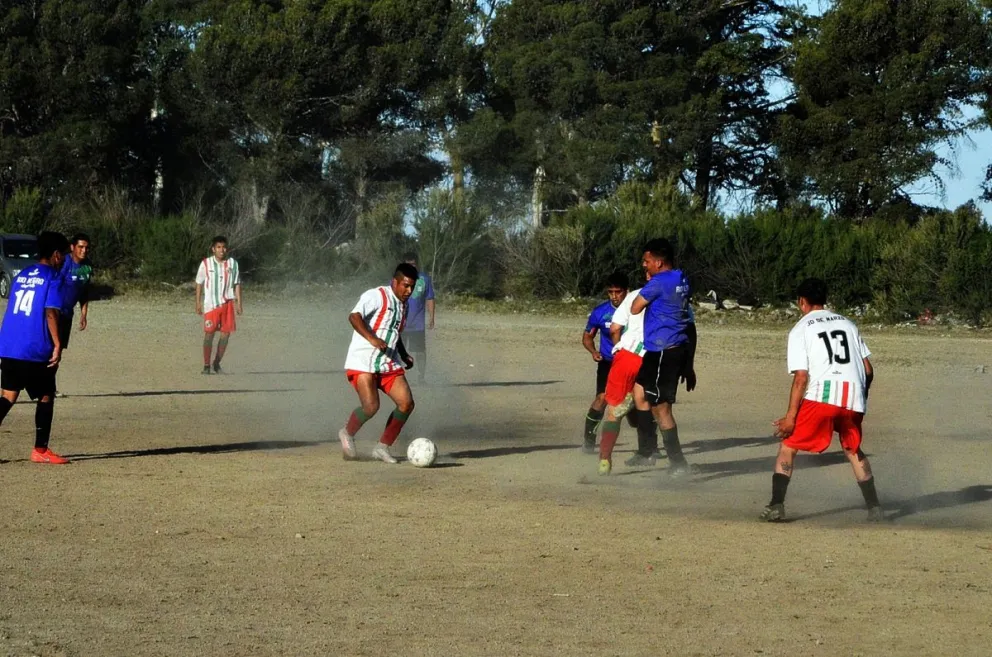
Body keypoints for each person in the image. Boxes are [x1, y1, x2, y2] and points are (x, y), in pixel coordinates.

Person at [762, 278, 881, 522]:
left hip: (822, 397)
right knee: (853, 449)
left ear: (801, 302)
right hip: (853, 397)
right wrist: (860, 399)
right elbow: (868, 369)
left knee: (788, 446)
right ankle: (875, 508)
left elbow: (801, 378)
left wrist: (790, 418)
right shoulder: (848, 323)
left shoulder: (801, 328)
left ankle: (776, 505)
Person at [628, 238, 697, 477]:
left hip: (663, 350)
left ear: (658, 262)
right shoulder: (680, 277)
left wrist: (650, 286)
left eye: (646, 261)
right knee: (639, 392)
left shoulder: (658, 283)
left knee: (662, 407)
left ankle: (678, 464)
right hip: (668, 348)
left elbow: (635, 307)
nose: (643, 265)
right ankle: (647, 449)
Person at [0, 231, 70, 464]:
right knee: (46, 394)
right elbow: (50, 311)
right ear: (57, 255)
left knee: (8, 396)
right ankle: (40, 450)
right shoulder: (53, 277)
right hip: (33, 347)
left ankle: (41, 450)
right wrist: (58, 343)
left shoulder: (23, 274)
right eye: (65, 256)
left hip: (9, 344)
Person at [338, 263, 419, 464]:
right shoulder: (376, 296)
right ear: (395, 281)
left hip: (388, 362)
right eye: (405, 286)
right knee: (371, 406)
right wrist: (372, 339)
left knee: (406, 403)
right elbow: (354, 316)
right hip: (363, 361)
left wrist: (403, 353)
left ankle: (382, 447)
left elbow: (394, 332)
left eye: (412, 287)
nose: (409, 291)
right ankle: (347, 433)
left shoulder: (404, 305)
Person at [595, 271, 656, 475]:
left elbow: (614, 329)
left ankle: (605, 459)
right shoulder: (674, 297)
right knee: (647, 405)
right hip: (655, 359)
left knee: (614, 412)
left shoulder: (633, 296)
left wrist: (619, 348)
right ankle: (648, 451)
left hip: (629, 356)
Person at [580, 272, 628, 453]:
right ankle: (589, 442)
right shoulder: (600, 312)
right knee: (601, 399)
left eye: (618, 292)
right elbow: (587, 337)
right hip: (608, 362)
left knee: (638, 406)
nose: (614, 296)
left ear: (626, 291)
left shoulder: (636, 310)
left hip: (632, 363)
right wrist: (593, 351)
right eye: (611, 292)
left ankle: (649, 447)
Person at [195, 236, 242, 374]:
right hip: (212, 305)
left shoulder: (233, 264)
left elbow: (237, 283)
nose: (222, 250)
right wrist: (197, 302)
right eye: (219, 247)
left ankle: (217, 363)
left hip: (227, 303)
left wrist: (239, 303)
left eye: (224, 247)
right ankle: (206, 365)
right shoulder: (206, 263)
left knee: (226, 335)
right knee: (209, 334)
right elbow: (199, 282)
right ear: (213, 249)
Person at [400, 252, 435, 384]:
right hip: (400, 324)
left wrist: (432, 317)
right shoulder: (397, 279)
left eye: (413, 264)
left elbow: (430, 298)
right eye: (408, 265)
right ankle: (398, 378)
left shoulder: (424, 279)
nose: (411, 267)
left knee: (420, 352)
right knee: (397, 352)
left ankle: (421, 377)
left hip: (417, 324)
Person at [57, 233, 94, 354]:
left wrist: (83, 315)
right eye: (81, 247)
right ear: (72, 247)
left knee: (60, 350)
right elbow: (53, 286)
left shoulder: (88, 266)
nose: (84, 250)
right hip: (55, 312)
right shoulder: (64, 262)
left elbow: (84, 291)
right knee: (49, 349)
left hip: (67, 314)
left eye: (87, 248)